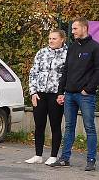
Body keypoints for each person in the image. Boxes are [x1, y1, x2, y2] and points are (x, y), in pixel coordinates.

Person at [49, 18, 99, 171]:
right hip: (69, 95)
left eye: (75, 29)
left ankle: (91, 160)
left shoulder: (96, 48)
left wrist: (87, 89)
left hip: (86, 96)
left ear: (84, 28)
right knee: (68, 127)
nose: (72, 32)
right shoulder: (72, 47)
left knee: (89, 127)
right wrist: (61, 92)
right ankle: (64, 159)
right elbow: (66, 70)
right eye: (72, 29)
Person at [25, 29, 68, 165]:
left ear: (62, 39)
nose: (51, 41)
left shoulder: (68, 54)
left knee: (55, 125)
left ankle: (53, 155)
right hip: (40, 93)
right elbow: (33, 73)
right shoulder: (41, 53)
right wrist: (33, 92)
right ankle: (38, 155)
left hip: (56, 94)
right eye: (49, 38)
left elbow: (69, 76)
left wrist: (63, 94)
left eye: (54, 38)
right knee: (39, 125)